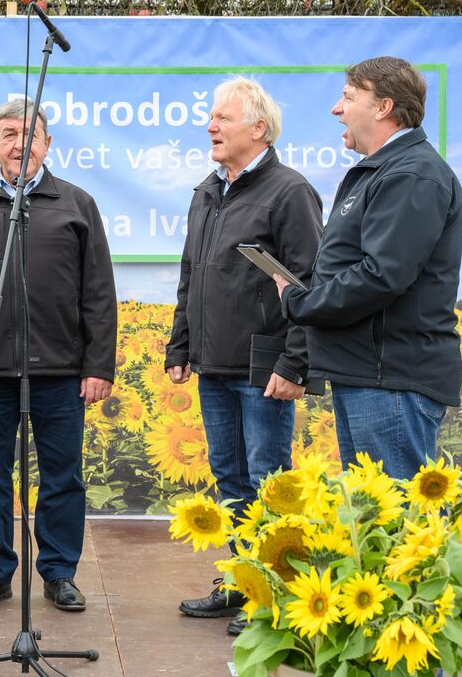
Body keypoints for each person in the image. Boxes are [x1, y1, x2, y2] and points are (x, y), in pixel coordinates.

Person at [0, 99, 117, 612]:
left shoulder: (77, 204)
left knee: (63, 476)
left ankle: (59, 572)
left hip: (61, 370)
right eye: (9, 134)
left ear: (47, 144)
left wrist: (99, 364)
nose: (20, 144)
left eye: (30, 134)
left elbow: (99, 292)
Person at [164, 78, 323, 635]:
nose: (210, 126)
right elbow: (191, 274)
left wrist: (295, 362)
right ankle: (242, 582)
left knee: (268, 481)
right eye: (211, 117)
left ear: (258, 128)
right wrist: (180, 344)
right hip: (214, 364)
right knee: (231, 480)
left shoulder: (290, 191)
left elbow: (310, 283)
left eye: (222, 118)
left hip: (265, 365)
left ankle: (274, 595)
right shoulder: (206, 191)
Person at [277, 56, 462, 480]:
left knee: (396, 514)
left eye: (348, 97)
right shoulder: (384, 171)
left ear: (383, 107)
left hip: (390, 381)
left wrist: (301, 303)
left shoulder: (413, 173)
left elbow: (382, 275)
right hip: (370, 376)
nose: (336, 109)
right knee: (371, 513)